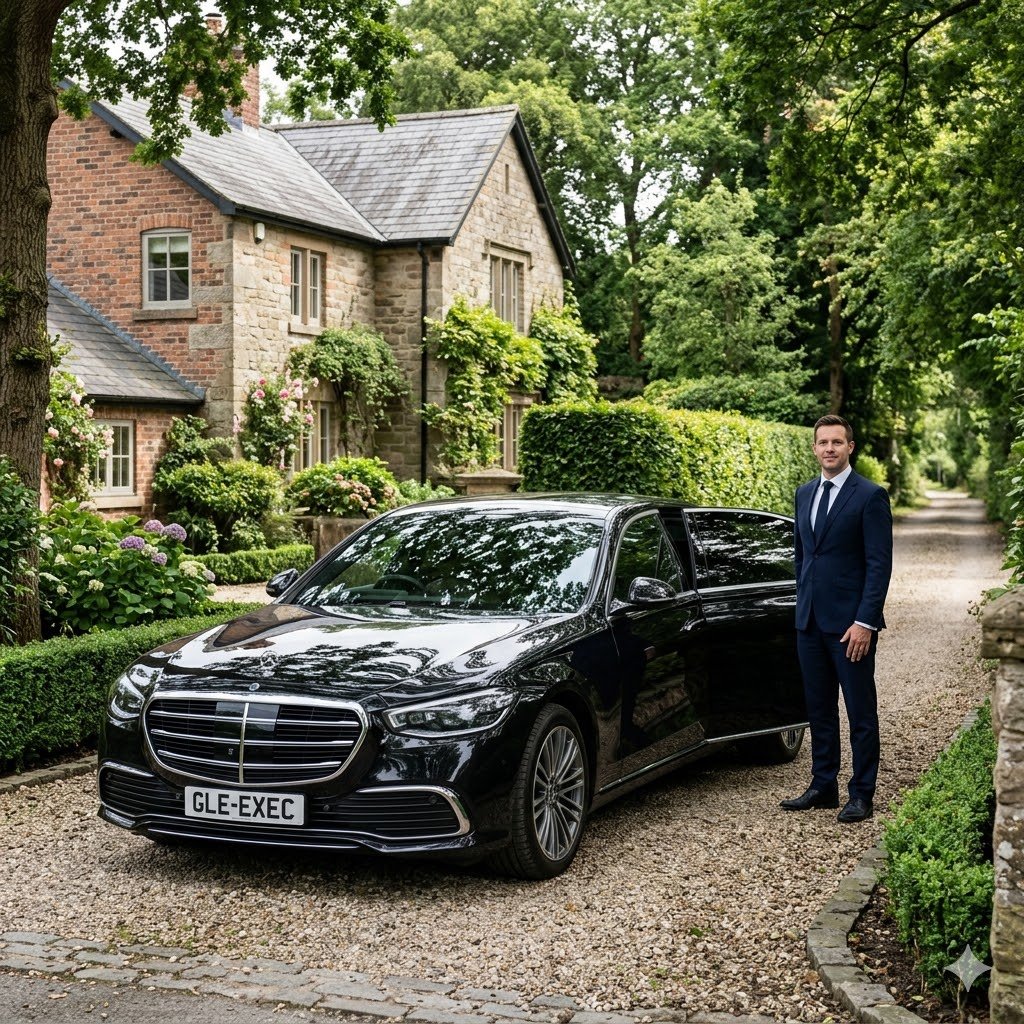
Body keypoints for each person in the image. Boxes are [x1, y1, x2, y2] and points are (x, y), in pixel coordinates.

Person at [781, 414, 893, 823]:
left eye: (837, 442)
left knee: (860, 711)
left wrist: (866, 622)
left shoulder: (870, 496)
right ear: (814, 448)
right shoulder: (804, 493)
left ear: (850, 447)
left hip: (851, 628)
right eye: (823, 442)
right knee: (819, 709)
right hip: (809, 622)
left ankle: (862, 793)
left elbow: (879, 565)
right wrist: (801, 605)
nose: (829, 448)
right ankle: (822, 784)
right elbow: (803, 557)